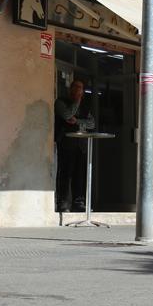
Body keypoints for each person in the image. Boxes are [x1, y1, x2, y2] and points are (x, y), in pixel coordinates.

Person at [54, 80, 91, 212]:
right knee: (65, 173)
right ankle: (62, 203)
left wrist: (78, 121)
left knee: (79, 174)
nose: (78, 90)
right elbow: (67, 114)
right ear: (70, 89)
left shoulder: (85, 105)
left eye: (81, 88)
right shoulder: (61, 102)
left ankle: (78, 202)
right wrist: (76, 101)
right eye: (76, 87)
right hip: (66, 143)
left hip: (80, 145)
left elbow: (92, 123)